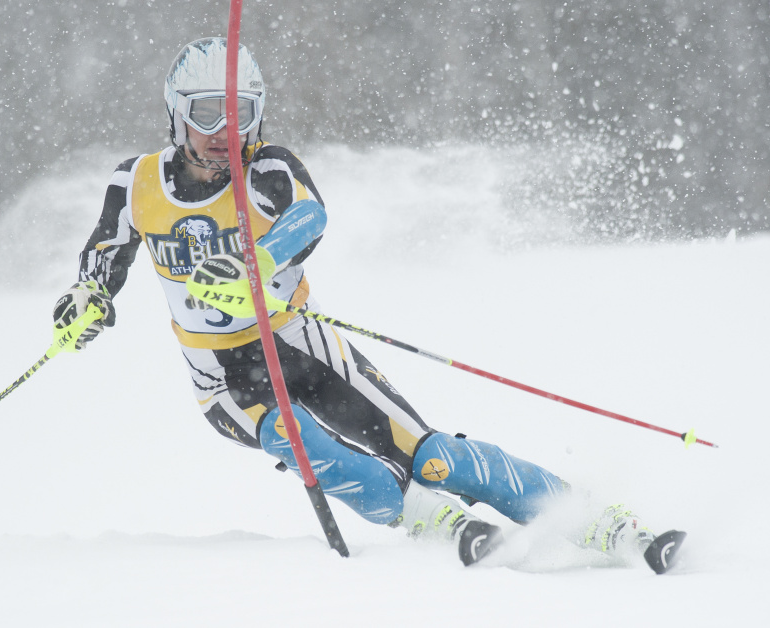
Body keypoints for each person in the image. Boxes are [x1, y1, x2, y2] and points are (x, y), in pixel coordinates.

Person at [52, 37, 683, 572]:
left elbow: (308, 215)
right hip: (220, 379)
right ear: (176, 112)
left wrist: (259, 261)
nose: (227, 132)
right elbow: (104, 259)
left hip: (297, 343)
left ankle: (601, 522)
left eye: (243, 113)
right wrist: (87, 301)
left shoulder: (265, 169)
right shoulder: (134, 182)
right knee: (298, 442)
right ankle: (435, 525)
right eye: (209, 113)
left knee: (430, 456)